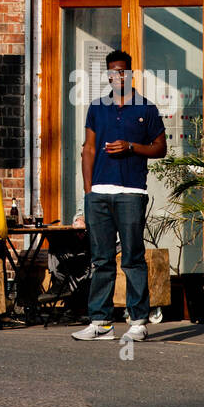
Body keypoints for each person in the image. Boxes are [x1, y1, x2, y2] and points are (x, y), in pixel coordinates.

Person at [72, 50, 166, 342]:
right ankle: (100, 322)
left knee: (133, 258)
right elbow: (88, 149)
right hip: (98, 194)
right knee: (101, 260)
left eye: (123, 71)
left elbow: (160, 149)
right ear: (108, 75)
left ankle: (137, 321)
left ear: (130, 74)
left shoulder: (146, 109)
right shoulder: (97, 108)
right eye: (113, 71)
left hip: (131, 193)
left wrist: (132, 147)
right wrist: (88, 193)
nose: (118, 76)